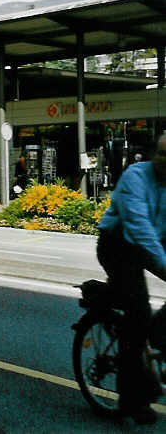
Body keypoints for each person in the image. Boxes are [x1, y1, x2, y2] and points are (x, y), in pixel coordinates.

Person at [96, 133, 166, 425]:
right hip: (118, 246)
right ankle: (130, 397)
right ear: (153, 154)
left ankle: (156, 338)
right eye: (163, 153)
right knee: (137, 313)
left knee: (147, 322)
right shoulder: (136, 177)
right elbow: (140, 229)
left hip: (154, 242)